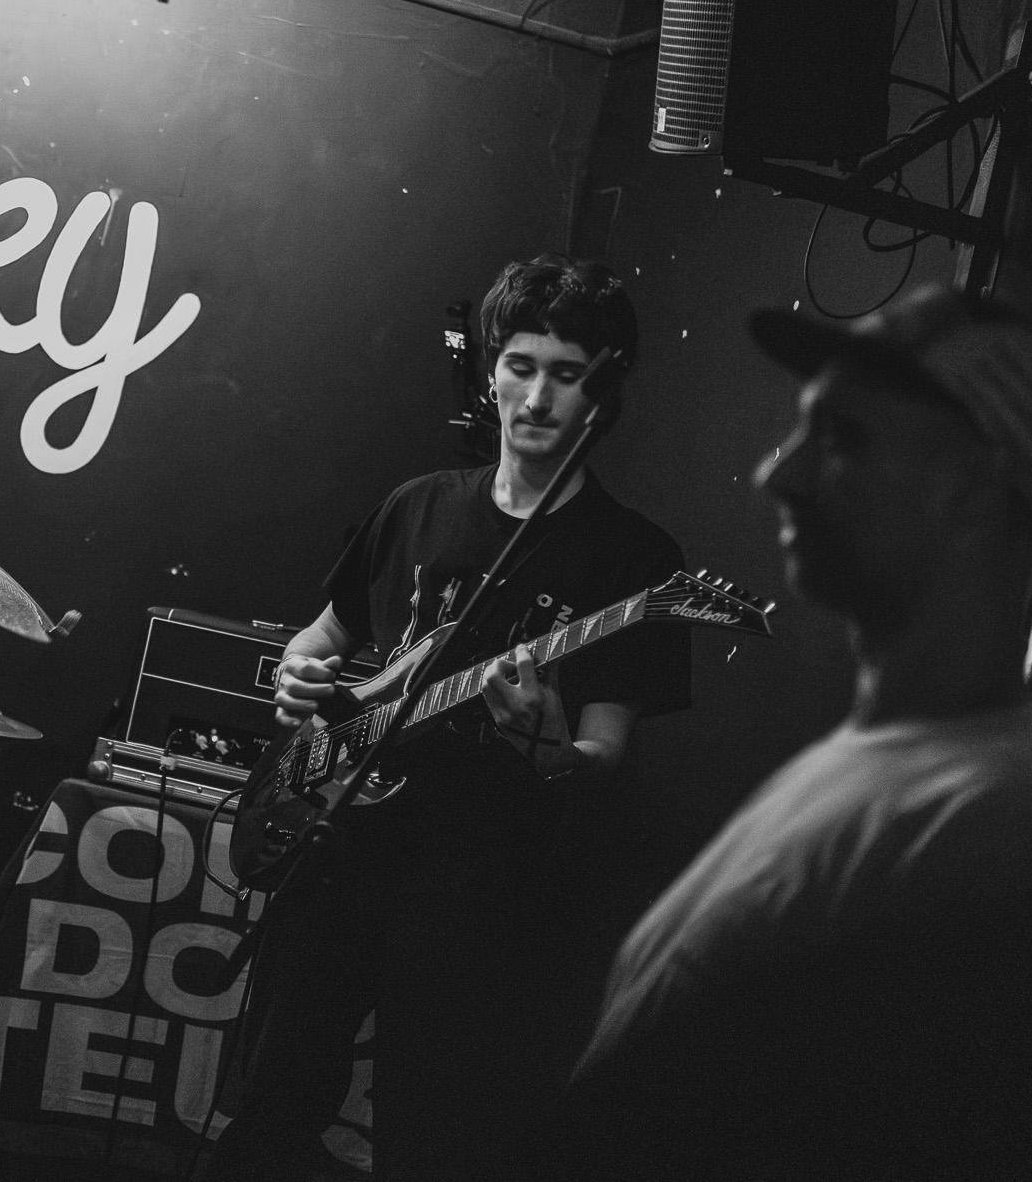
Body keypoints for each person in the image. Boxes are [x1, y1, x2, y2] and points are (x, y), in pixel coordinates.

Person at [566, 285, 1032, 1180]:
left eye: (843, 438)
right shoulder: (879, 766)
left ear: (973, 488)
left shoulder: (994, 830)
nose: (777, 472)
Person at [207, 255, 692, 1181]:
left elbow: (601, 755)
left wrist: (546, 743)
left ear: (603, 394)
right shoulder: (418, 505)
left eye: (566, 373)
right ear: (489, 371)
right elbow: (320, 638)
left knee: (425, 1141)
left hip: (475, 896)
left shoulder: (636, 561)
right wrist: (297, 677)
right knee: (269, 1114)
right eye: (520, 366)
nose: (537, 397)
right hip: (335, 849)